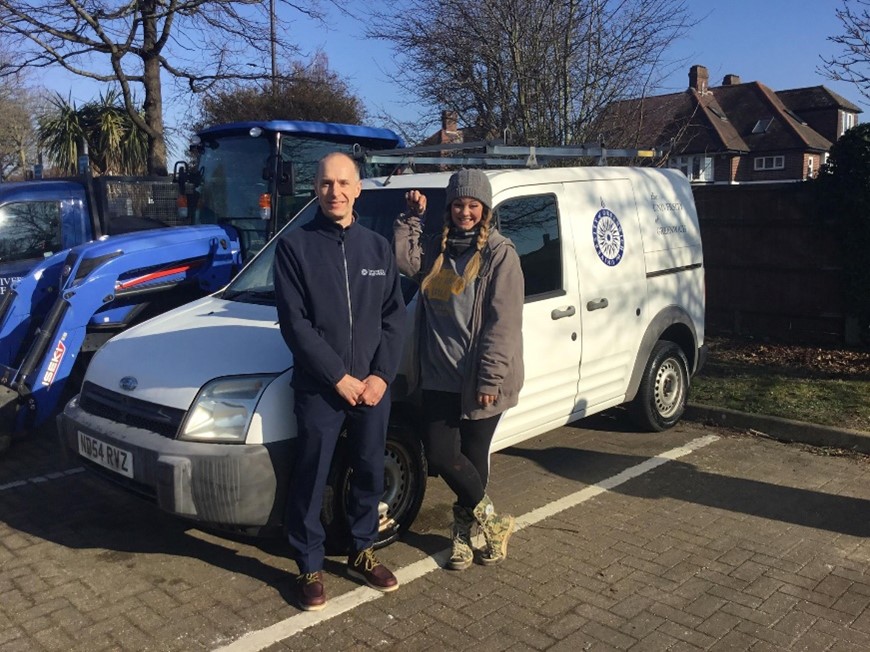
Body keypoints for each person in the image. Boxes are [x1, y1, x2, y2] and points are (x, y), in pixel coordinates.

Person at [274, 151, 406, 611]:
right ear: (316, 189)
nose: (335, 192)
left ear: (358, 189)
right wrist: (338, 378)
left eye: (344, 183)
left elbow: (394, 319)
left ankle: (362, 550)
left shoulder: (377, 248)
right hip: (320, 388)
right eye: (327, 183)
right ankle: (309, 564)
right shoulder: (294, 248)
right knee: (310, 475)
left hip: (371, 388)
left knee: (369, 468)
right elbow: (296, 325)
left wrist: (380, 377)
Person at [394, 168, 524, 570]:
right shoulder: (439, 248)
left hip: (479, 380)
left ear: (484, 209)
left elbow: (504, 323)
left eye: (472, 205)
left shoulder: (501, 254)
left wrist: (489, 379)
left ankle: (463, 536)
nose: (464, 212)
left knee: (472, 455)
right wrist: (411, 218)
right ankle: (496, 522)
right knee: (442, 455)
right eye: (458, 204)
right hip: (437, 376)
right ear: (449, 208)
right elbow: (403, 261)